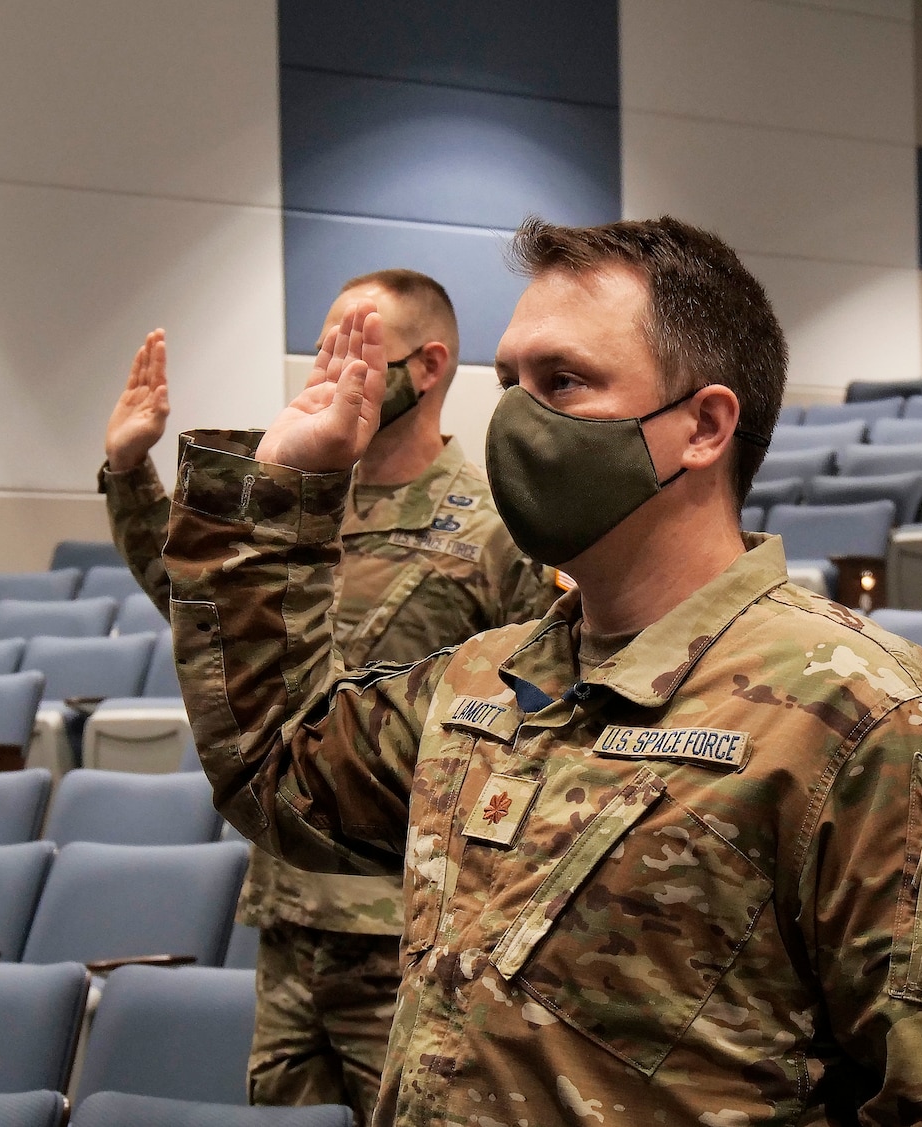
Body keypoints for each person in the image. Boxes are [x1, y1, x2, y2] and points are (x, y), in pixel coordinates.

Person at [161, 217, 922, 1127]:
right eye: (509, 382)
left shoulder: (860, 714)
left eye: (563, 382)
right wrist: (276, 503)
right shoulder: (480, 682)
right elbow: (275, 772)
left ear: (702, 425)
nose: (515, 417)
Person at [99, 268, 558, 1122]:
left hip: (411, 931)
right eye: (322, 347)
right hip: (290, 911)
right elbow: (208, 613)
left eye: (356, 347)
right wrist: (130, 473)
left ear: (427, 367)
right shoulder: (307, 508)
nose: (330, 366)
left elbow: (542, 724)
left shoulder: (496, 524)